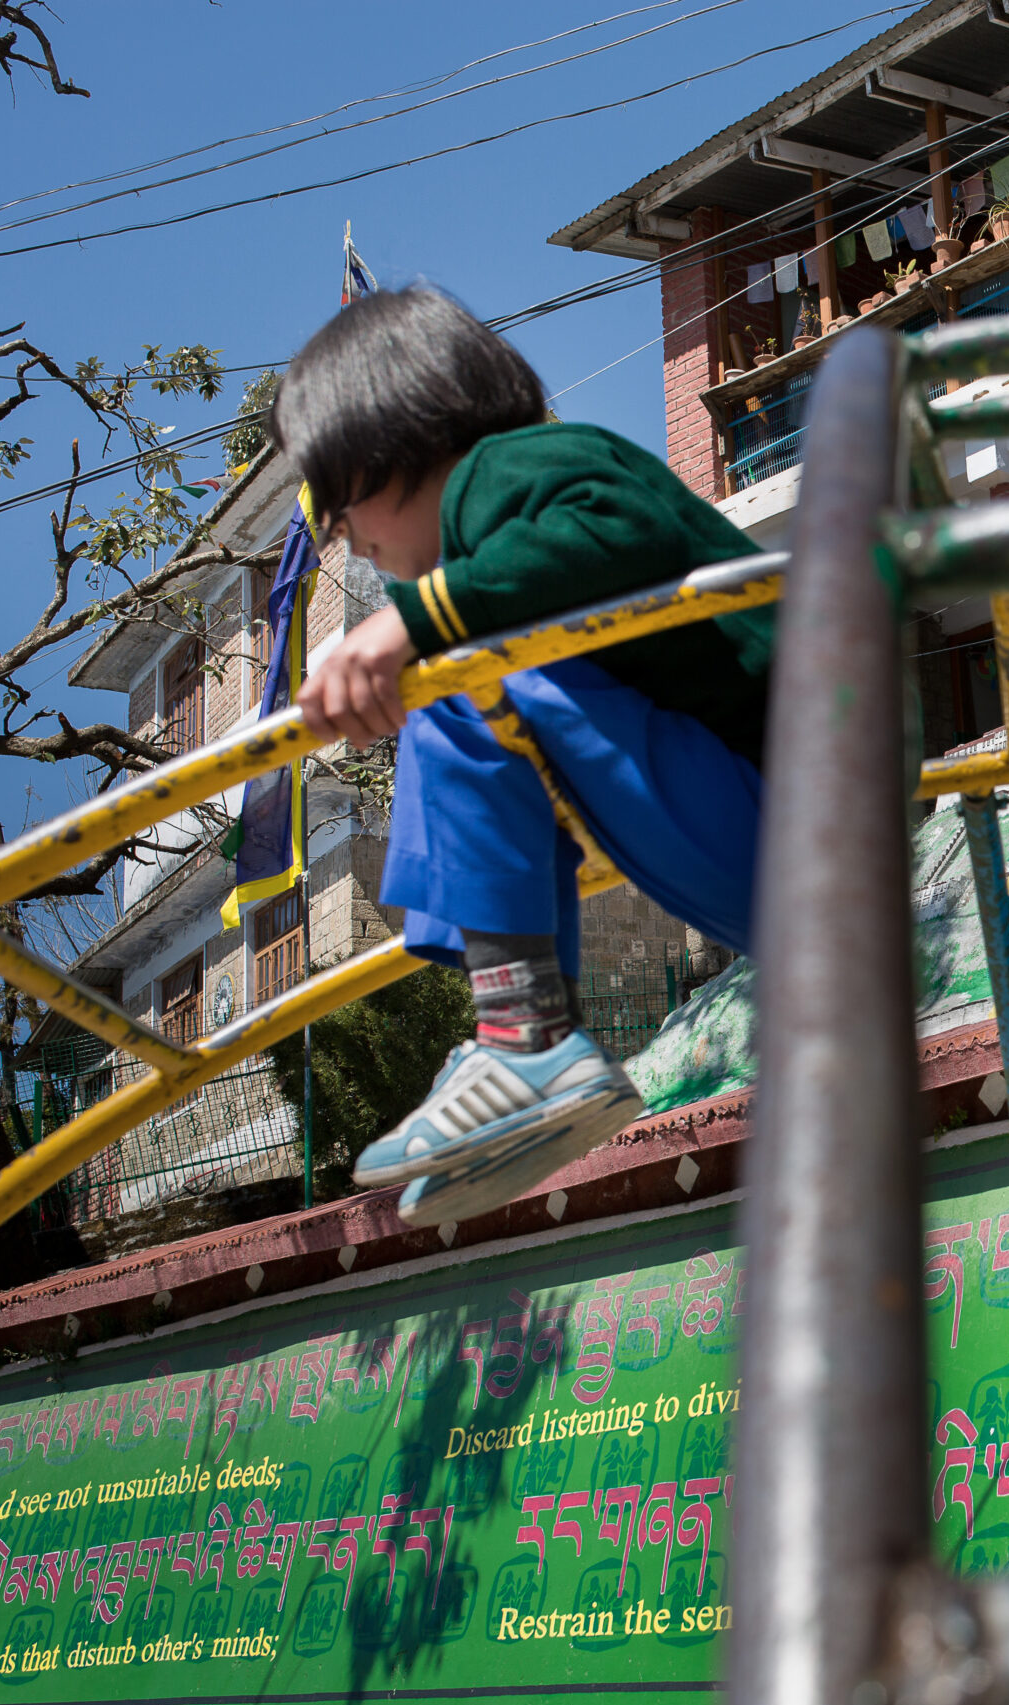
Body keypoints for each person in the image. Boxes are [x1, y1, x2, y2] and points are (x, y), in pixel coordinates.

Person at [274, 285, 771, 1229]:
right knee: (464, 680)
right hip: (763, 847)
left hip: (793, 808)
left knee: (461, 677)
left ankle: (527, 1033)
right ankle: (520, 1032)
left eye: (338, 516)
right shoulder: (504, 544)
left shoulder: (520, 466)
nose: (355, 545)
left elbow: (619, 531)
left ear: (384, 446)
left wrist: (410, 623)